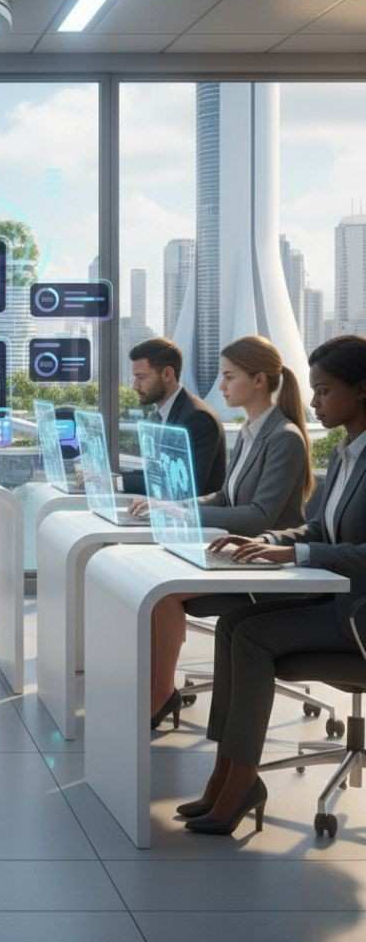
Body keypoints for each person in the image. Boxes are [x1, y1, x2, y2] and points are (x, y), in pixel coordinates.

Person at [177, 335, 366, 836]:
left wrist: (297, 553)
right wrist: (268, 539)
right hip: (338, 601)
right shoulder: (348, 451)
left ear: (361, 391)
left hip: (357, 614)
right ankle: (228, 774)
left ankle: (239, 781)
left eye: (324, 391)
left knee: (253, 635)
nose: (314, 403)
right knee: (235, 624)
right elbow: (319, 527)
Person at [143, 336, 313, 728]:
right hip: (238, 551)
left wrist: (185, 518)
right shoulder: (251, 430)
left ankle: (161, 694)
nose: (221, 386)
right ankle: (156, 688)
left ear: (258, 380)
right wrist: (179, 507)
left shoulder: (285, 438)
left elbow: (259, 517)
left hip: (266, 559)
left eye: (228, 377)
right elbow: (227, 494)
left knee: (164, 592)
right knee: (153, 582)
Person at [121, 337, 226, 498]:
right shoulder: (159, 415)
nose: (135, 386)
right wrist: (113, 479)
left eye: (141, 377)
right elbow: (157, 474)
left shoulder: (198, 418)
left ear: (167, 374)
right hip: (168, 511)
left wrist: (118, 483)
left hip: (193, 519)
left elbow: (185, 486)